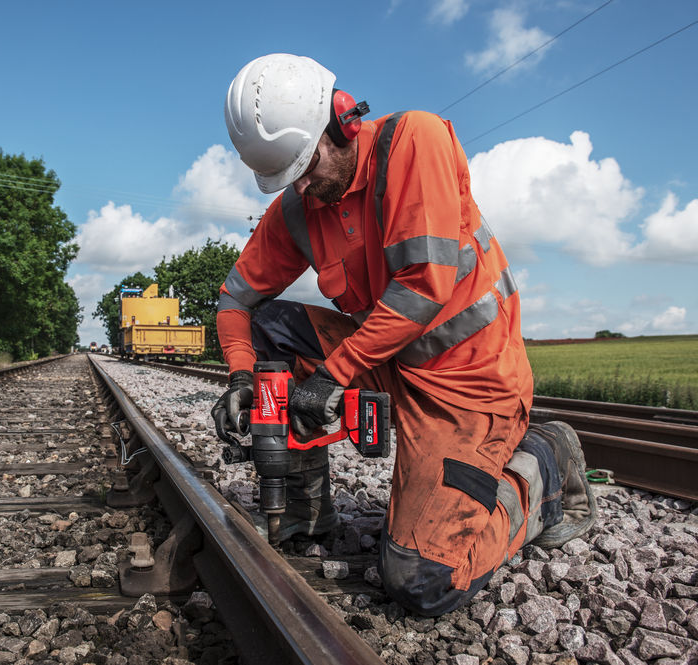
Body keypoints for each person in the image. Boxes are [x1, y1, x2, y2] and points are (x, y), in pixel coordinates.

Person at [210, 53, 597, 616]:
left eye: (307, 164)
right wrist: (242, 375)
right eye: (290, 175)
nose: (304, 185)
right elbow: (235, 300)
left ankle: (545, 466)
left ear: (341, 119)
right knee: (272, 328)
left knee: (421, 579)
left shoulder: (414, 143)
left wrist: (333, 376)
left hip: (470, 387)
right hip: (392, 364)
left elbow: (423, 287)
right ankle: (303, 508)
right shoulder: (302, 204)